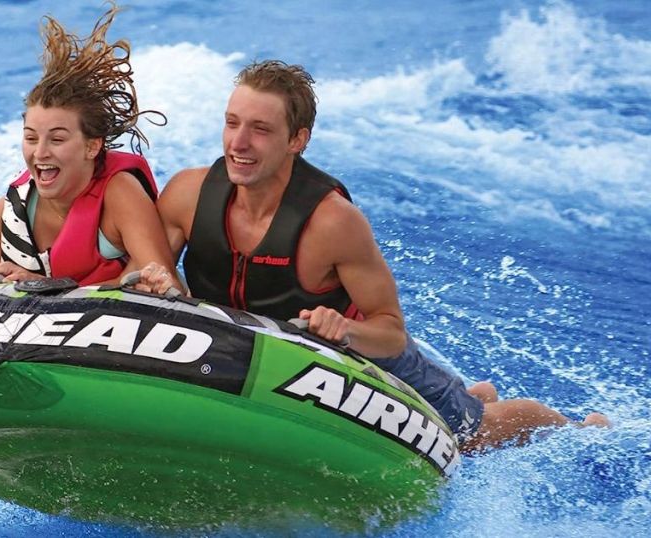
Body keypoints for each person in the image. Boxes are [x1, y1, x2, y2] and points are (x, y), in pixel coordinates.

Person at [136, 60, 608, 452]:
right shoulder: (187, 194)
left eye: (260, 130)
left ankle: (574, 427)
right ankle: (469, 391)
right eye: (232, 123)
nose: (238, 143)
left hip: (352, 359)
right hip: (240, 352)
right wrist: (160, 284)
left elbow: (389, 331)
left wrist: (346, 329)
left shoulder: (332, 223)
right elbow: (153, 281)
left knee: (472, 434)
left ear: (296, 140)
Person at [0, 3, 181, 306]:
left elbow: (166, 286)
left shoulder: (120, 195)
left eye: (57, 139)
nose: (40, 152)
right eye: (31, 138)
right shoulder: (7, 217)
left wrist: (52, 289)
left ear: (92, 146)